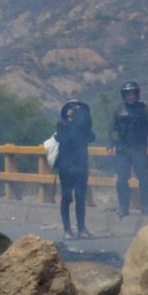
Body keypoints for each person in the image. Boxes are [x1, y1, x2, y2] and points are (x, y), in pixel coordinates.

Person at [111, 81, 148, 217]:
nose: (130, 96)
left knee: (143, 177)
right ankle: (123, 206)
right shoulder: (118, 110)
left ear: (137, 94)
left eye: (133, 93)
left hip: (140, 147)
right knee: (121, 178)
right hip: (123, 148)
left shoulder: (144, 109)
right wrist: (111, 144)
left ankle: (144, 205)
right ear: (124, 95)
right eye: (128, 94)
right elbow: (112, 130)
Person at [55, 99, 95, 238]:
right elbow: (65, 139)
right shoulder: (62, 125)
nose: (74, 111)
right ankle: (67, 230)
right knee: (66, 197)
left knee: (80, 198)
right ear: (66, 112)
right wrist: (75, 126)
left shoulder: (83, 127)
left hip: (81, 166)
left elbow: (92, 137)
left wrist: (83, 124)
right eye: (71, 109)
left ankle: (81, 228)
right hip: (66, 167)